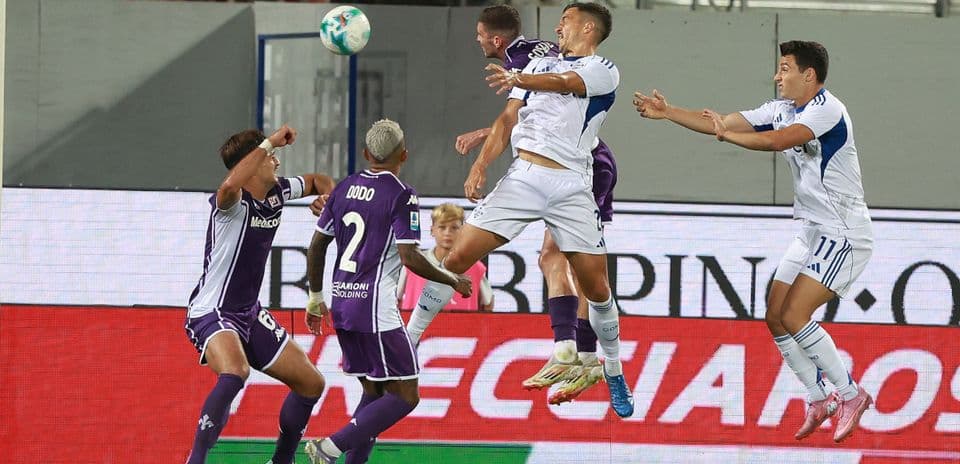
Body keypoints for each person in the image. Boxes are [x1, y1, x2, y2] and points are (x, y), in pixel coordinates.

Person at [634, 40, 873, 443]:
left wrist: (727, 136)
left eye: (785, 68)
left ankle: (852, 394)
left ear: (808, 75)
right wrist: (668, 112)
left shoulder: (828, 109)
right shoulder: (779, 108)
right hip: (812, 229)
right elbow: (723, 121)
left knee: (796, 315)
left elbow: (777, 141)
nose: (777, 76)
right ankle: (819, 398)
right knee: (775, 316)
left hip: (843, 231)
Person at [406, 2, 634, 418]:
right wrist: (480, 164)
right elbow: (510, 115)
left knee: (597, 287)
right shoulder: (540, 61)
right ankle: (410, 342)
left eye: (565, 19)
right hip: (524, 177)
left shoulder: (603, 69)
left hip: (572, 185)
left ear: (588, 27)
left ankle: (613, 370)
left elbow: (565, 82)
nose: (558, 25)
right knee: (454, 258)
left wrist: (522, 76)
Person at [303, 119, 472, 464]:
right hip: (375, 310)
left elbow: (317, 246)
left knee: (375, 391)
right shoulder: (401, 194)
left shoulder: (345, 187)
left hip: (342, 305)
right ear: (404, 155)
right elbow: (410, 257)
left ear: (366, 154)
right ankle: (330, 446)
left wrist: (315, 298)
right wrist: (452, 279)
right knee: (406, 396)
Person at [183, 125, 335, 464]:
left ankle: (281, 461)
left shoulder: (278, 191)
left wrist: (329, 199)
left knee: (311, 383)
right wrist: (268, 142)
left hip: (248, 313)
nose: (277, 162)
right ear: (250, 164)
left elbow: (318, 181)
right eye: (270, 157)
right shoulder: (230, 204)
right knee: (235, 372)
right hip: (213, 311)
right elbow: (228, 185)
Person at [398, 203, 494, 312]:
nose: (447, 233)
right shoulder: (413, 262)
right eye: (442, 227)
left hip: (462, 328)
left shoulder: (475, 266)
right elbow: (394, 299)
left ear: (462, 231)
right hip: (418, 328)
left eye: (454, 228)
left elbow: (488, 303)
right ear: (432, 230)